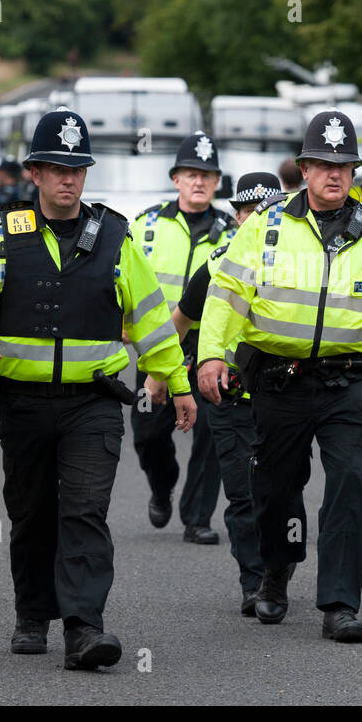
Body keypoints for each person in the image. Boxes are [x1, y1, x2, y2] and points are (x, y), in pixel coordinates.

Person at [0, 107, 195, 671]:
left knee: (84, 512)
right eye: (56, 168)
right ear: (34, 172)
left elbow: (152, 319)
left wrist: (175, 383)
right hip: (22, 403)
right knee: (32, 512)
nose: (68, 179)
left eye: (77, 169)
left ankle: (85, 629)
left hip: (93, 403)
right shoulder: (6, 236)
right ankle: (33, 614)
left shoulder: (115, 237)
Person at [197, 110, 362, 643]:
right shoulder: (265, 229)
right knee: (276, 488)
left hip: (352, 381)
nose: (334, 174)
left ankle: (339, 603)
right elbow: (225, 298)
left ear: (355, 174)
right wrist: (211, 355)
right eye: (323, 164)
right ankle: (277, 573)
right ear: (304, 168)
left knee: (355, 480)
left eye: (344, 166)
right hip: (279, 381)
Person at [161, 171, 285, 615]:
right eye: (251, 211)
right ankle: (255, 583)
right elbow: (178, 324)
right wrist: (166, 377)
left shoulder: (300, 266)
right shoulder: (215, 265)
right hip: (230, 400)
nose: (259, 219)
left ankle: (278, 573)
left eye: (269, 210)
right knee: (243, 495)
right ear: (236, 217)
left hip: (284, 400)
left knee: (280, 494)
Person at [130, 132, 236, 544]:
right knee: (147, 432)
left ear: (216, 182)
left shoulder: (232, 232)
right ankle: (162, 484)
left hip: (210, 350)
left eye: (207, 176)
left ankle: (197, 518)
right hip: (158, 348)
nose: (199, 182)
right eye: (191, 174)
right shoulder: (146, 226)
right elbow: (122, 283)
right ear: (175, 179)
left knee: (212, 434)